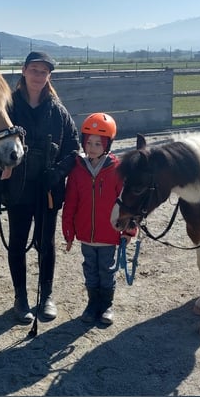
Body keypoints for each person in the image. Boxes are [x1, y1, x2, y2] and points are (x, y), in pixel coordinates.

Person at [0, 51, 80, 324]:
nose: (39, 75)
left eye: (44, 72)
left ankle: (46, 296)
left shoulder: (58, 111)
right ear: (24, 71)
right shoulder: (9, 108)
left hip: (48, 191)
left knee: (46, 244)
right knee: (16, 243)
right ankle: (21, 298)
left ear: (49, 76)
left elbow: (73, 149)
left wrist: (59, 172)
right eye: (35, 70)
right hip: (17, 188)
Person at [61, 112, 135, 325]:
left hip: (109, 234)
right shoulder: (77, 171)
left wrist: (129, 230)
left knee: (107, 270)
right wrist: (68, 232)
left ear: (108, 145)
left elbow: (128, 203)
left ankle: (106, 305)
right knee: (90, 269)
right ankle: (92, 303)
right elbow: (71, 203)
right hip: (86, 235)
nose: (92, 147)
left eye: (98, 143)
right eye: (89, 142)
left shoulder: (117, 170)